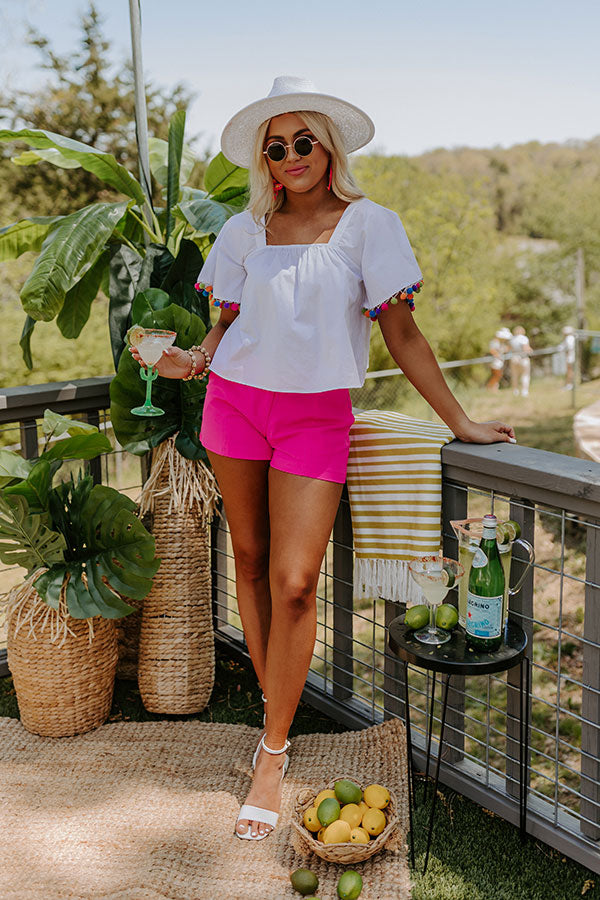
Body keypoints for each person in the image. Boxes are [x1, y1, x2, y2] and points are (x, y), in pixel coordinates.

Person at [130, 76, 516, 842]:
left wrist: (460, 421)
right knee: (247, 559)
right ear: (265, 161)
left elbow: (402, 334)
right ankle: (275, 718)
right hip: (234, 406)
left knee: (296, 582)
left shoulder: (371, 225)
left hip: (315, 418)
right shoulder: (243, 230)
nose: (291, 156)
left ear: (328, 146)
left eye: (303, 141)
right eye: (276, 148)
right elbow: (224, 330)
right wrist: (189, 362)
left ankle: (272, 751)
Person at [510, 325, 532, 397]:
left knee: (515, 376)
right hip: (523, 359)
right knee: (525, 375)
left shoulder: (512, 339)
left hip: (514, 359)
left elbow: (509, 349)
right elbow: (525, 348)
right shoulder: (523, 338)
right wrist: (530, 350)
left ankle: (515, 391)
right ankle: (524, 391)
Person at [560, 325, 576, 390]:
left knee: (569, 371)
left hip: (570, 357)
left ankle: (569, 384)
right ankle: (569, 384)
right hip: (570, 357)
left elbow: (569, 348)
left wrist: (567, 355)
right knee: (569, 371)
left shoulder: (569, 338)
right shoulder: (570, 338)